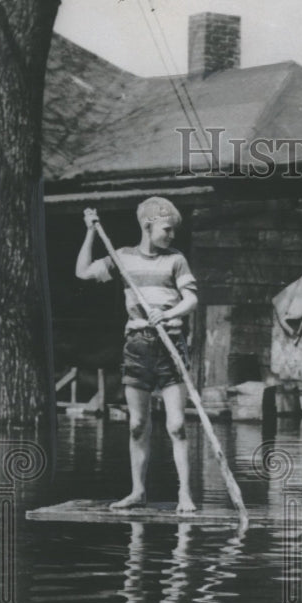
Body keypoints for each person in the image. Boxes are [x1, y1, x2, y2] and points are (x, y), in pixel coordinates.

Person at [75, 197, 199, 513]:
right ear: (148, 225)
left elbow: (191, 299)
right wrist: (90, 232)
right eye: (167, 230)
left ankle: (185, 494)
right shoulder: (124, 258)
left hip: (171, 344)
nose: (171, 236)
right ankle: (137, 492)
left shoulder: (176, 259)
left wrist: (170, 315)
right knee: (137, 424)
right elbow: (83, 273)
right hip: (137, 345)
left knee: (176, 425)